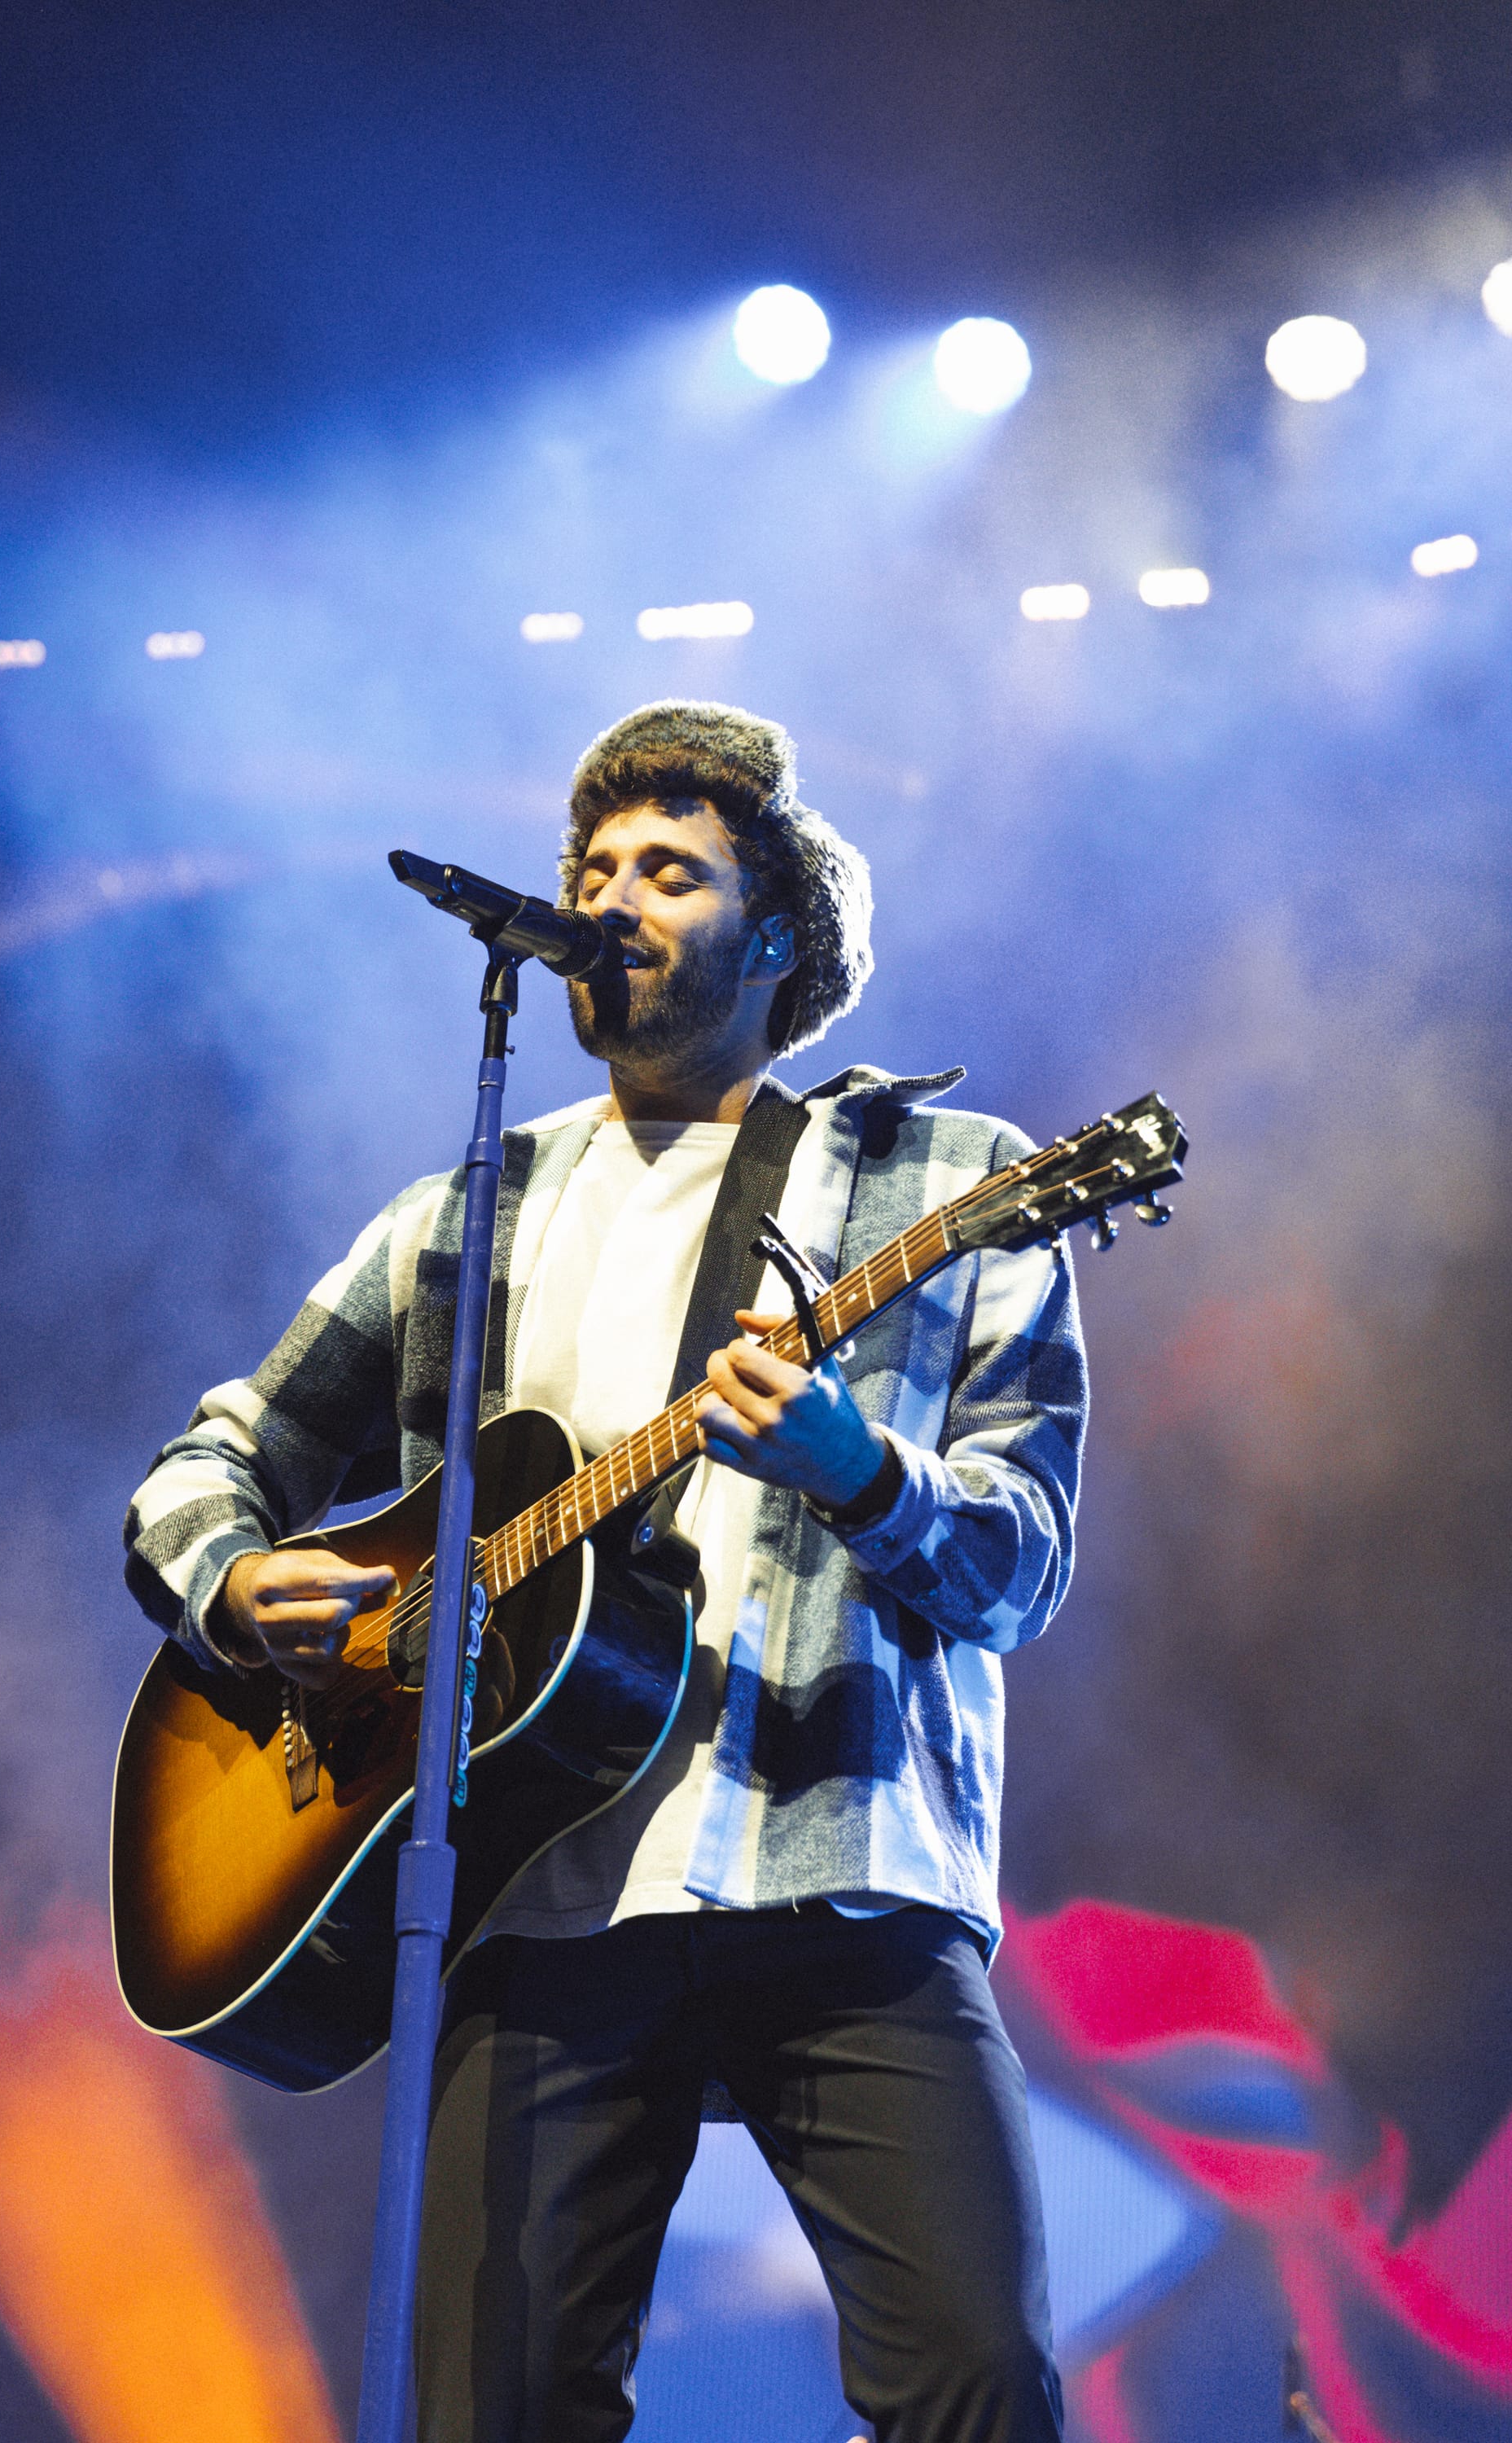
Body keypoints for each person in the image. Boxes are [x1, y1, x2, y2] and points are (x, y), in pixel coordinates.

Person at [124, 700, 1087, 2443]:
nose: (611, 895)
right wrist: (238, 1586)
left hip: (837, 1868)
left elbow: (1017, 1569)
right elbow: (215, 1457)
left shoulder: (954, 1184)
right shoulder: (465, 1210)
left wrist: (856, 1473)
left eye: (669, 869)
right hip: (533, 1892)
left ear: (777, 927)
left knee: (979, 2380)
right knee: (487, 2410)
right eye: (592, 869)